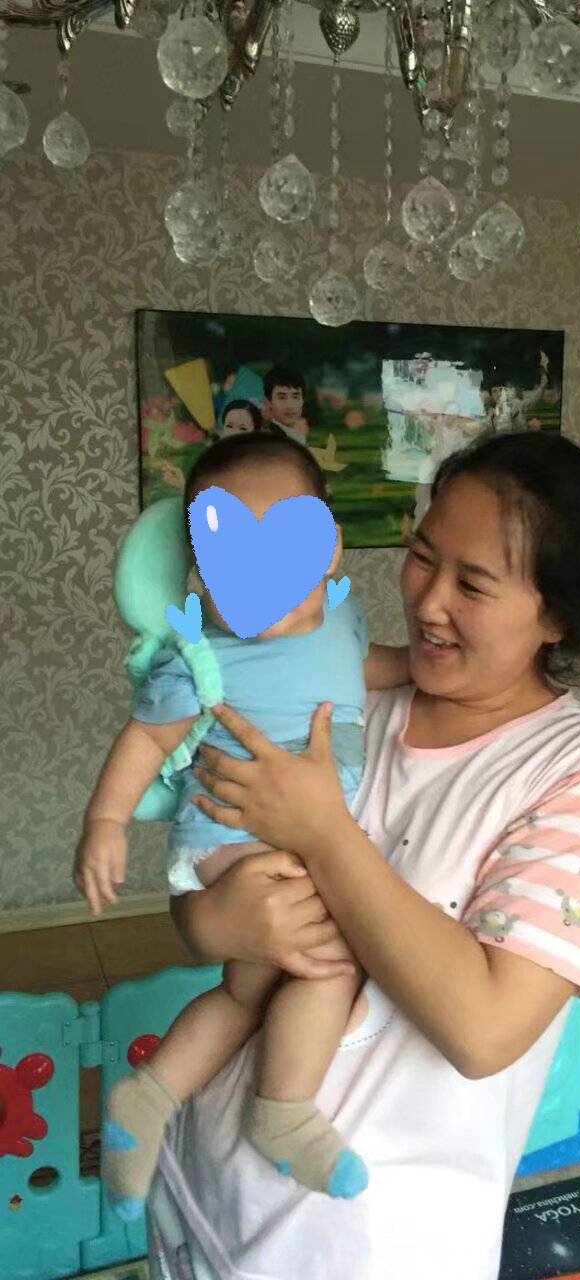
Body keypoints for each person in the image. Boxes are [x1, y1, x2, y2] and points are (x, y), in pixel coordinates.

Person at [146, 429, 580, 1280]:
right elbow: (206, 862)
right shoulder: (344, 700)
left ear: (556, 615)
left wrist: (324, 833)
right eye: (421, 556)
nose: (427, 600)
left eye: (473, 583)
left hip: (358, 1249)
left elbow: (484, 1029)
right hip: (200, 1190)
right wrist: (209, 922)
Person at [74, 433, 410, 1221]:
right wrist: (106, 820)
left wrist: (424, 669)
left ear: (328, 550)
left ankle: (149, 1097)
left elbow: (364, 670)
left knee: (248, 989)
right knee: (332, 965)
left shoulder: (341, 619)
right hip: (233, 841)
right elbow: (146, 738)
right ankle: (282, 1111)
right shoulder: (203, 657)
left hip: (292, 841)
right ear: (200, 574)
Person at [263, 364, 310, 443]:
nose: (290, 406)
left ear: (303, 400)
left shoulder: (297, 434)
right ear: (269, 402)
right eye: (282, 398)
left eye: (295, 397)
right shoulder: (266, 438)